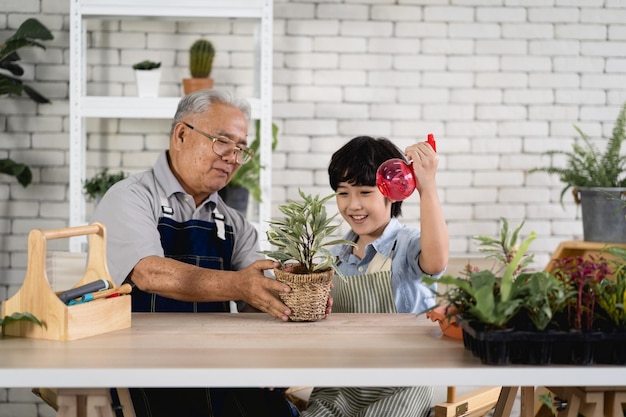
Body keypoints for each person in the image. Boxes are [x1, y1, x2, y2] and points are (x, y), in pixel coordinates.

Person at [91, 89, 298, 417]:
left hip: (218, 366)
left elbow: (256, 296)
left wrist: (292, 296)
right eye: (221, 141)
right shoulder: (130, 198)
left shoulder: (233, 223)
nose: (232, 156)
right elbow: (149, 272)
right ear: (182, 134)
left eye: (240, 148)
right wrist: (239, 285)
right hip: (143, 369)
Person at [301, 136, 449, 417]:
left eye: (365, 192)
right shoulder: (336, 255)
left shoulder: (406, 245)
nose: (352, 205)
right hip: (341, 385)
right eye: (343, 193)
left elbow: (436, 260)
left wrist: (427, 187)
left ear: (393, 190)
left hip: (402, 385)